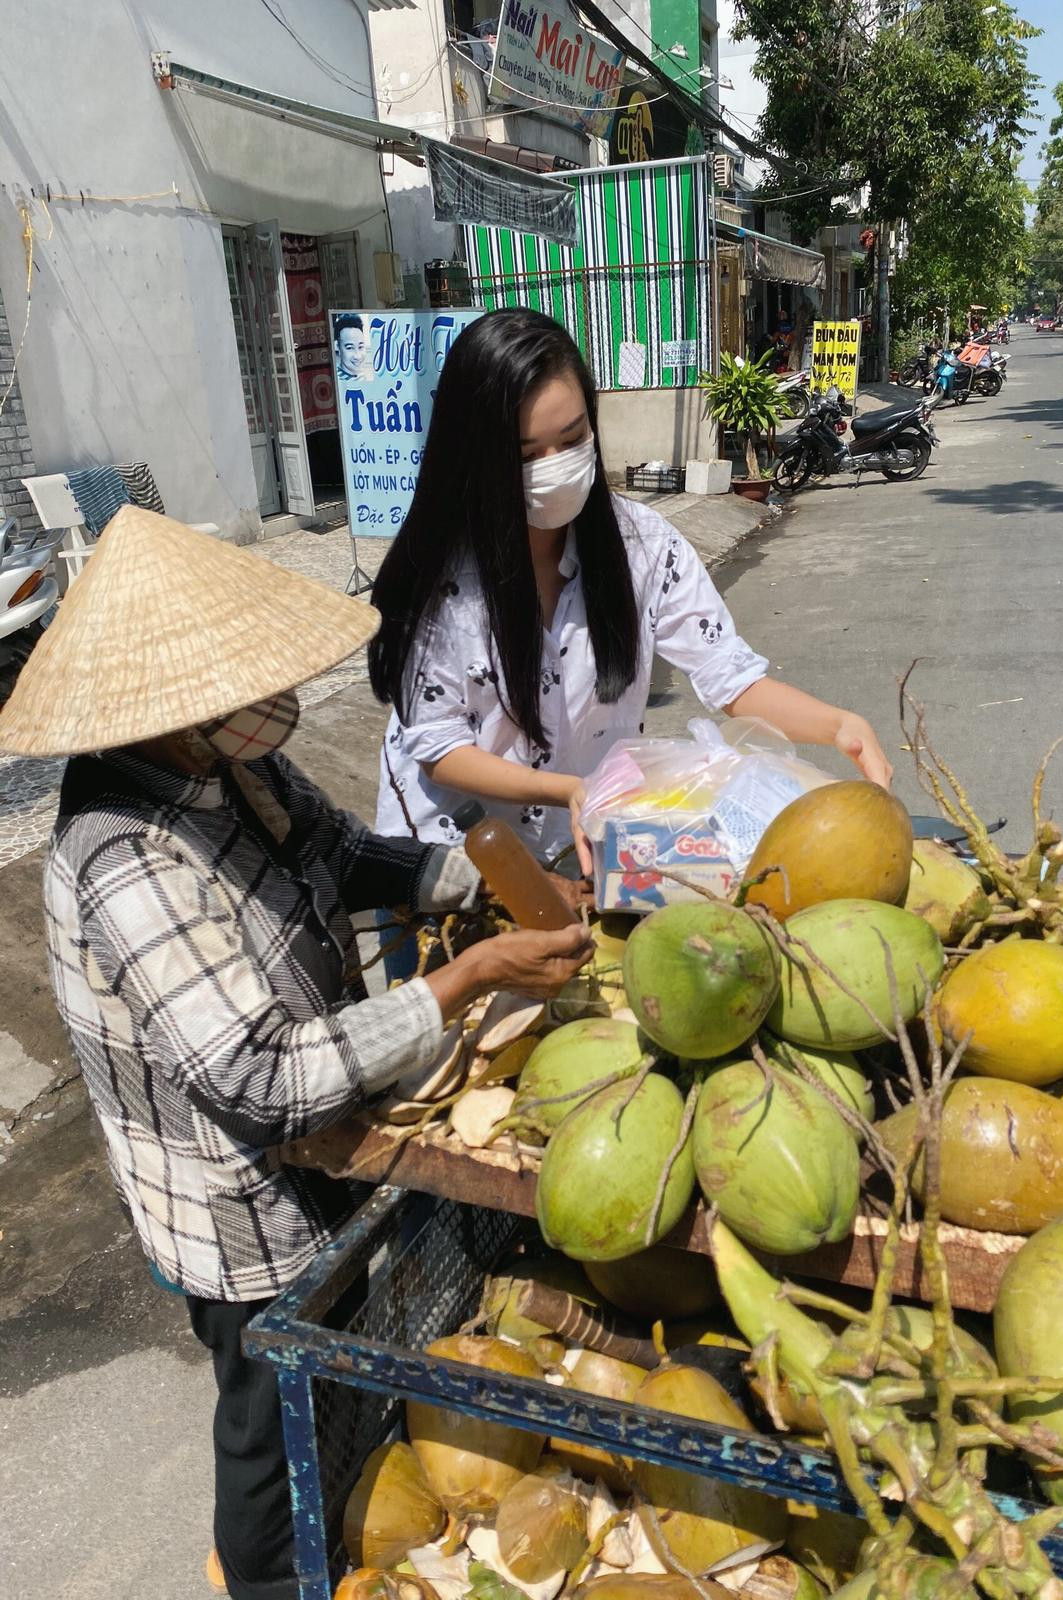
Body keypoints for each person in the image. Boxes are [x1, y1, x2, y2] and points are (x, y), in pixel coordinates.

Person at [0, 506, 592, 1600]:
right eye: (238, 694)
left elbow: (347, 852)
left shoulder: (234, 771)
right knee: (267, 1409)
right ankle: (260, 1576)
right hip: (233, 1199)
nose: (272, 707)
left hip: (327, 1136)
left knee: (331, 1376)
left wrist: (485, 880)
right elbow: (259, 1078)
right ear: (171, 715)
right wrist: (463, 977)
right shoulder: (120, 852)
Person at [367, 308, 891, 941]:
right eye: (527, 453)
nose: (556, 465)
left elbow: (728, 677)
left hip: (579, 853)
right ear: (477, 456)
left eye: (572, 437)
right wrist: (567, 788)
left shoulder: (644, 547)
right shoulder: (443, 577)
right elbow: (439, 748)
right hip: (448, 864)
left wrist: (839, 726)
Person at [333, 312, 369, 381]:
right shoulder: (337, 380)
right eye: (349, 348)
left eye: (360, 347)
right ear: (337, 346)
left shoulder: (361, 376)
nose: (357, 356)